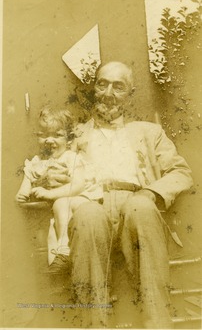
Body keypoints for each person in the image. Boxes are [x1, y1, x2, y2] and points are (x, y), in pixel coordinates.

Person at [39, 62, 193, 328]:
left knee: (141, 208)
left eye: (118, 86)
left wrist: (150, 193)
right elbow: (49, 169)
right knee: (87, 215)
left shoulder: (148, 132)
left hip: (136, 205)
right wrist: (51, 178)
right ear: (94, 88)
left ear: (130, 94)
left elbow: (181, 173)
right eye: (103, 84)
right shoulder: (75, 135)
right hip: (92, 206)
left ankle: (158, 325)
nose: (109, 92)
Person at [16, 105, 102, 270]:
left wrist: (49, 194)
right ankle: (60, 256)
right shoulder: (37, 161)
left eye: (57, 135)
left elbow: (77, 185)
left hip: (84, 198)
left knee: (61, 203)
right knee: (58, 208)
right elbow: (28, 178)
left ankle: (65, 247)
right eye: (44, 135)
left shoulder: (71, 158)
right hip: (60, 205)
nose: (49, 140)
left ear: (69, 140)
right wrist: (23, 192)